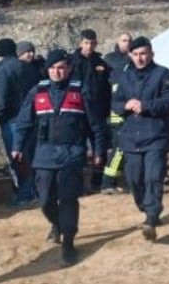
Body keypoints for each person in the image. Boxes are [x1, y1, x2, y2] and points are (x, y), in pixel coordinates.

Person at [10, 49, 107, 265]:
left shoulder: (81, 91)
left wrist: (99, 151)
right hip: (44, 154)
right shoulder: (37, 92)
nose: (57, 72)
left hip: (72, 153)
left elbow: (96, 126)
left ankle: (69, 244)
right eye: (53, 68)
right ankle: (59, 225)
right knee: (45, 201)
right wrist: (17, 147)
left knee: (68, 198)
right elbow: (24, 122)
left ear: (69, 69)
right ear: (47, 70)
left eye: (62, 67)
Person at [112, 36, 169, 241]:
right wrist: (125, 106)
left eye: (143, 54)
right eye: (136, 54)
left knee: (153, 177)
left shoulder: (164, 75)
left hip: (155, 135)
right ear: (130, 55)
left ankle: (151, 217)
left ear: (151, 54)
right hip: (131, 137)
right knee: (134, 179)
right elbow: (114, 103)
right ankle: (146, 207)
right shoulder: (123, 78)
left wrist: (146, 106)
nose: (139, 58)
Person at [0, 37, 41, 206]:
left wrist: (1, 118)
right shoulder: (31, 69)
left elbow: (1, 100)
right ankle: (39, 191)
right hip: (34, 119)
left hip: (13, 121)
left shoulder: (3, 70)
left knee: (19, 159)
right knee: (34, 156)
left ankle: (26, 194)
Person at [71, 29, 112, 193]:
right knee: (78, 144)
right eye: (86, 43)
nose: (89, 46)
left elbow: (107, 89)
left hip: (97, 110)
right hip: (77, 110)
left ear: (96, 43)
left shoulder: (100, 63)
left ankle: (97, 177)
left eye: (92, 43)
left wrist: (107, 109)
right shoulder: (71, 62)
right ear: (80, 43)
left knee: (99, 143)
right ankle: (78, 181)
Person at [101, 32, 133, 194]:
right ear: (117, 42)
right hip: (117, 115)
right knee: (119, 150)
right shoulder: (112, 60)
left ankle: (123, 181)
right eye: (124, 40)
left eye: (129, 41)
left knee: (127, 150)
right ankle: (107, 183)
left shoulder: (131, 61)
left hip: (129, 115)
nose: (127, 43)